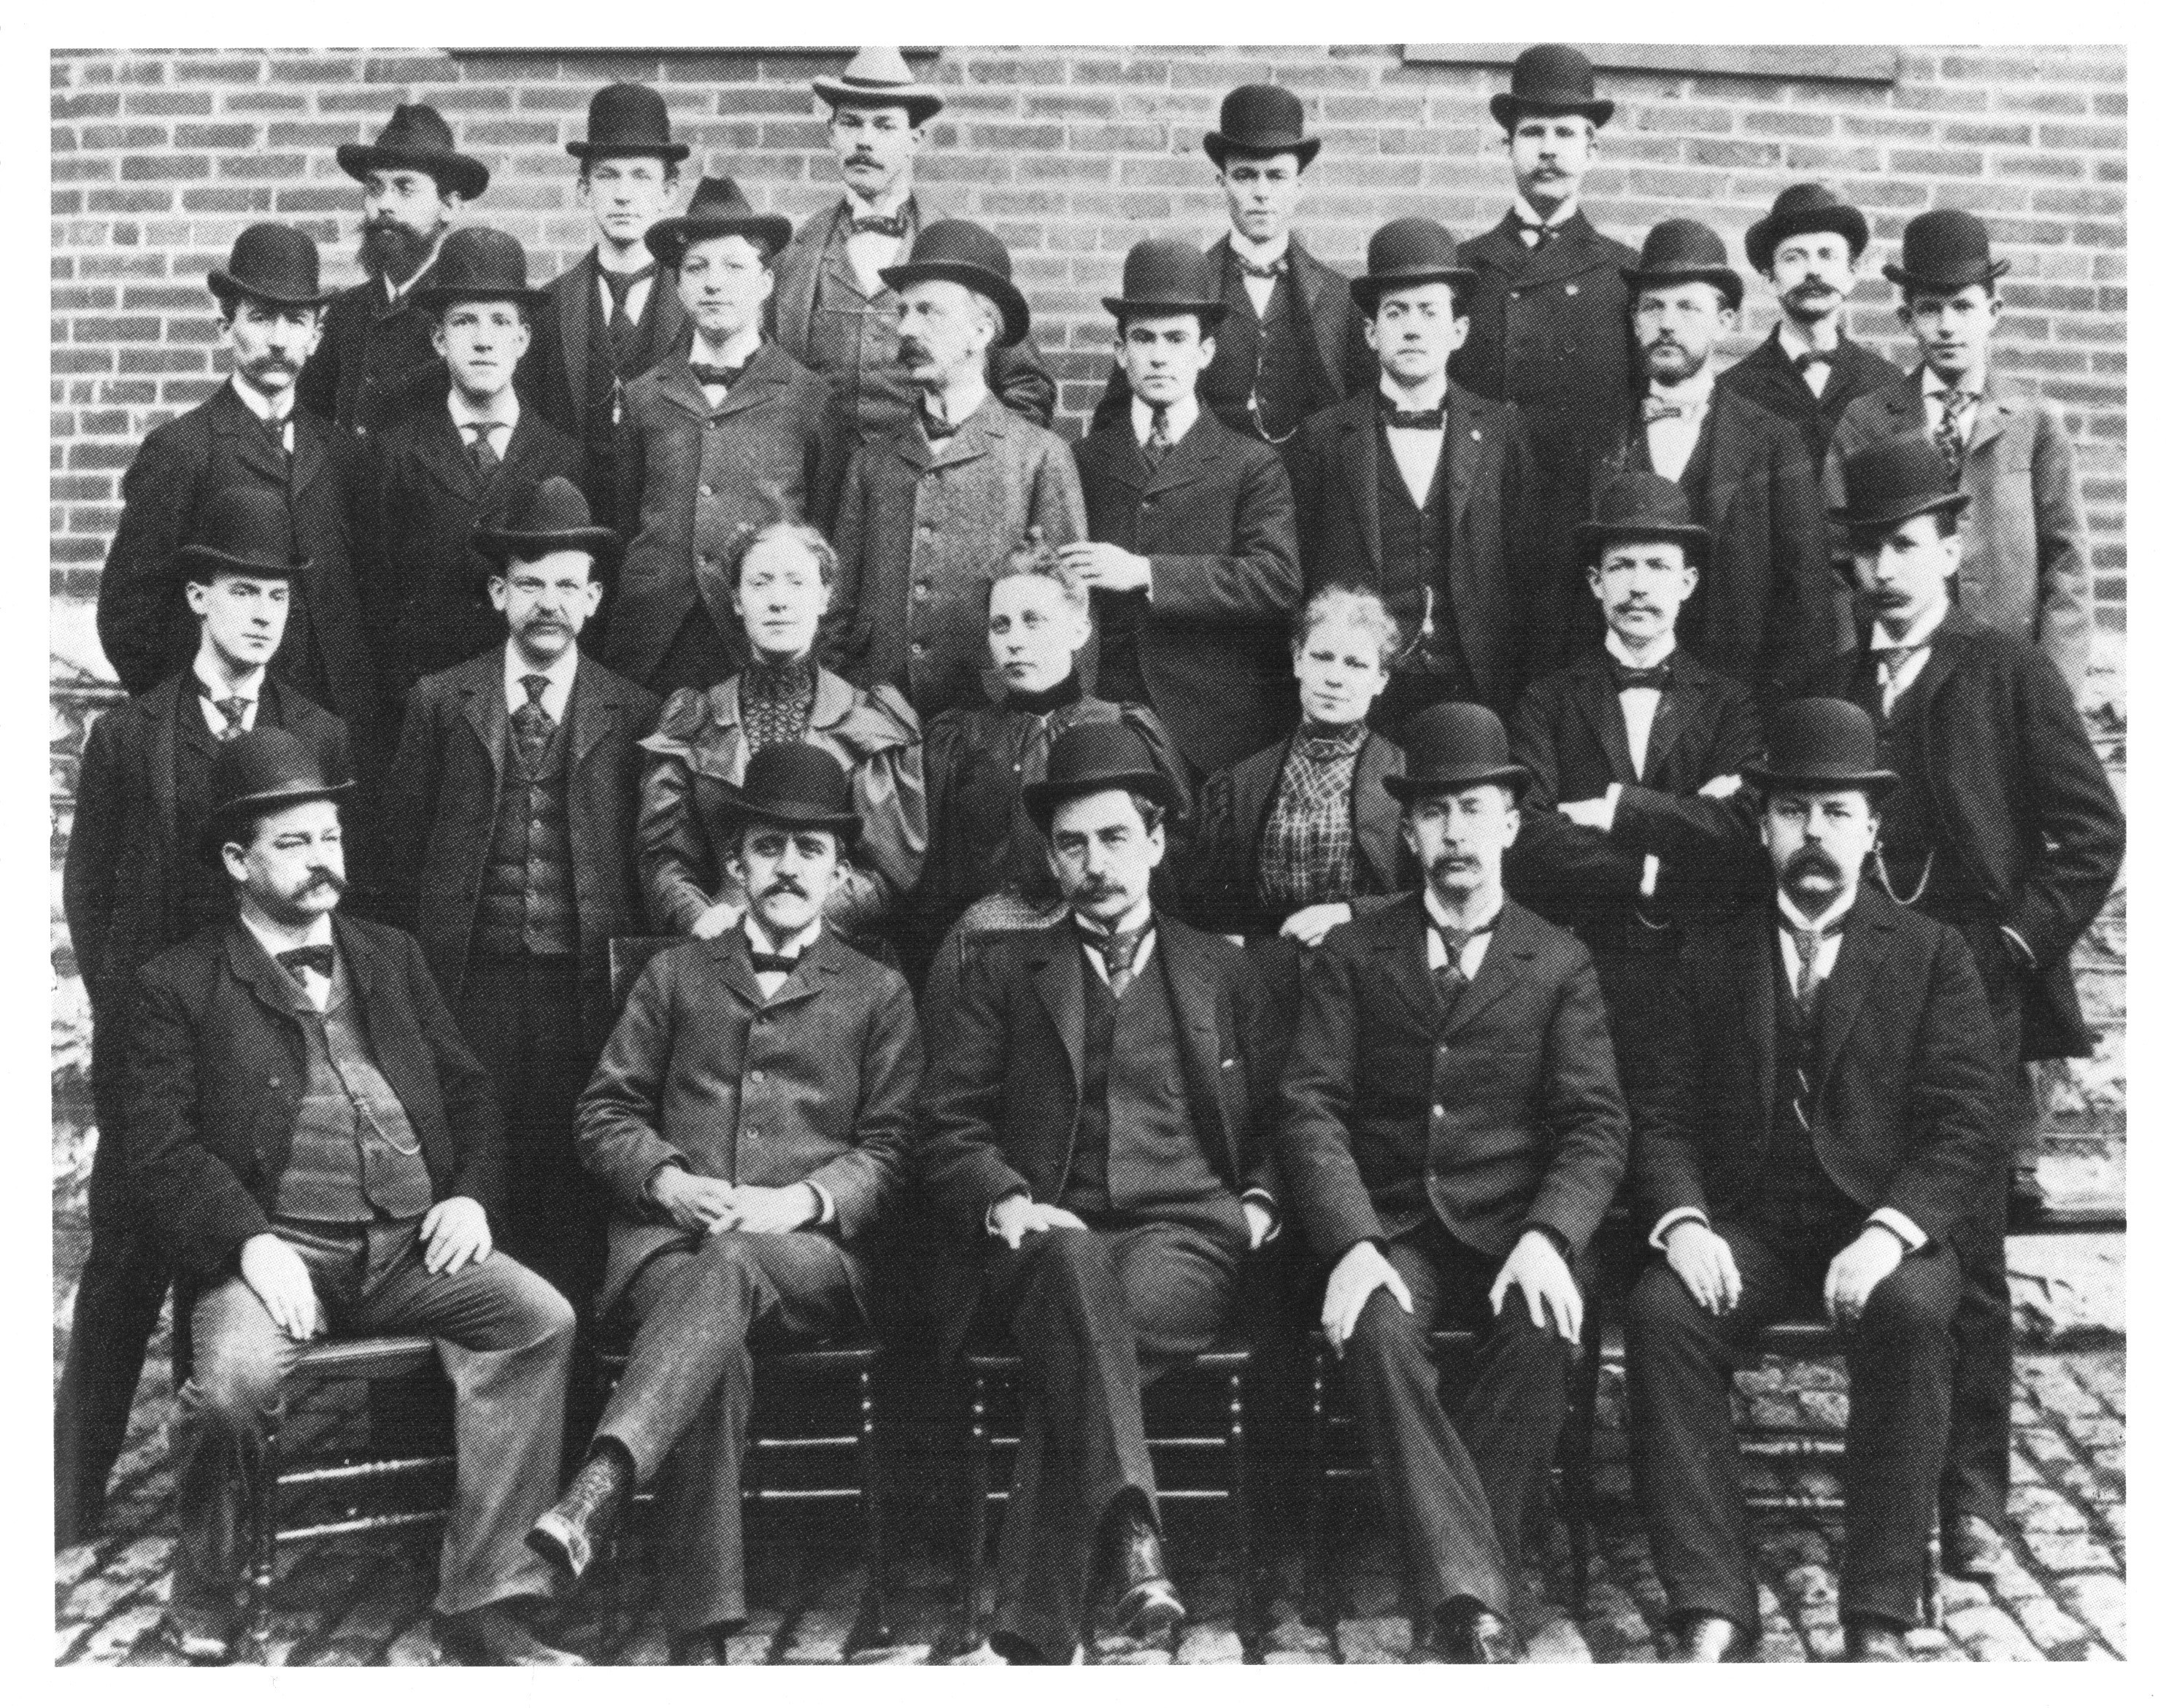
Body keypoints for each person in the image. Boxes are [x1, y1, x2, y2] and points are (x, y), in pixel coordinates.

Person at [122, 728, 579, 1665]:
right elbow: (157, 1148)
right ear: (236, 862)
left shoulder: (391, 957)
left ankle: (485, 1591)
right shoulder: (176, 984)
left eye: (329, 838)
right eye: (293, 844)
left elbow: (471, 1093)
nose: (322, 860)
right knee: (236, 1388)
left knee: (539, 1319)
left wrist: (471, 1199)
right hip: (277, 1250)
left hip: (414, 1246)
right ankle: (204, 1597)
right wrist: (249, 1243)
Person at [1624, 698, 2003, 1663]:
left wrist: (1890, 1232)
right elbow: (1659, 1110)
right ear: (1764, 824)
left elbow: (1964, 1122)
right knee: (1664, 1310)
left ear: (1872, 824)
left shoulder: (1931, 955)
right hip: (1746, 1227)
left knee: (1918, 1311)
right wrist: (1684, 1220)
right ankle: (1712, 1599)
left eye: (1837, 812)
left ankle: (1878, 1606)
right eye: (1795, 811)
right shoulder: (1705, 946)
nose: (1816, 834)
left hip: (1874, 1226)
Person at [526, 742, 921, 1664]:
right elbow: (604, 1111)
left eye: (810, 851)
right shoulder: (676, 976)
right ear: (736, 864)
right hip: (670, 1246)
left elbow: (894, 1148)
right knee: (714, 1344)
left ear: (840, 872)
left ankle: (605, 1475)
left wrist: (804, 1202)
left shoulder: (878, 992)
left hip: (807, 1259)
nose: (788, 868)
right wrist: (665, 1178)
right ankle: (700, 1635)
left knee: (735, 1266)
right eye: (769, 847)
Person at [1806, 436, 2124, 1585]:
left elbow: (2091, 835)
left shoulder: (2004, 672)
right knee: (1872, 1215)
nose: (1885, 569)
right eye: (1867, 550)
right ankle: (1890, 1464)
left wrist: (2009, 948)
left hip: (1975, 999)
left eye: (1906, 545)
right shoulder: (1836, 690)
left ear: (1949, 547)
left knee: (1971, 1248)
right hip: (1856, 999)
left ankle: (1973, 1495)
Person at [918, 722, 1284, 1664]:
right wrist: (1004, 1197)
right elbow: (945, 1128)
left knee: (1078, 1351)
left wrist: (1261, 1201)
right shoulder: (1004, 972)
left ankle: (1038, 1636)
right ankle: (1132, 1537)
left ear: (1157, 842)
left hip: (1185, 1240)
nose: (1096, 863)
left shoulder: (1223, 969)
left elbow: (1288, 1111)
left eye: (1116, 837)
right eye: (1073, 843)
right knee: (1077, 1276)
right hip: (1043, 1239)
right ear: (1050, 854)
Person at [1277, 702, 1628, 1662]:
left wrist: (1551, 1236)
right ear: (1410, 829)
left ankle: (1461, 1589)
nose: (1456, 832)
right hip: (1396, 1225)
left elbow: (1596, 1125)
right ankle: (1479, 1593)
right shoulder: (1355, 953)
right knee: (1376, 1326)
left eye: (1474, 809)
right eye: (1434, 813)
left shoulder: (1557, 960)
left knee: (1545, 1320)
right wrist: (1352, 1244)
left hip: (1515, 1226)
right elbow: (1309, 1109)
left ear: (1511, 823)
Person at [58, 488, 350, 1550]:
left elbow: (323, 886)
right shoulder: (132, 737)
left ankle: (210, 1510)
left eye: (275, 595)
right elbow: (91, 894)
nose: (262, 614)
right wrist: (130, 1014)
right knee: (130, 1253)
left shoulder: (312, 731)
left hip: (260, 1032)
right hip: (155, 1031)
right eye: (241, 593)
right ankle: (67, 1498)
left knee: (228, 1248)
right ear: (198, 599)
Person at [383, 476, 658, 1305]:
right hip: (469, 990)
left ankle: (569, 1411)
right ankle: (445, 1410)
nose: (549, 602)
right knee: (466, 1181)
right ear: (500, 592)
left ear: (595, 596)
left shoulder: (634, 710)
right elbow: (397, 859)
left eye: (567, 583)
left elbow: (647, 871)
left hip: (586, 997)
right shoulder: (441, 701)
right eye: (530, 582)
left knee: (574, 1190)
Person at [1506, 473, 1764, 1091]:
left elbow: (1741, 829)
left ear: (1688, 583)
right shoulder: (1547, 702)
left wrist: (1615, 807)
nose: (1640, 585)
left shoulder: (1731, 706)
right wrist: (1652, 866)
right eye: (1622, 566)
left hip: (1693, 968)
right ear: (1595, 583)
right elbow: (1528, 836)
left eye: (1657, 565)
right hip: (1577, 963)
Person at [95, 223, 378, 743]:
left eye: (295, 320)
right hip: (226, 736)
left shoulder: (341, 455)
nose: (277, 339)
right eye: (260, 317)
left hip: (329, 738)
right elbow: (128, 616)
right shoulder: (182, 449)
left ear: (316, 336)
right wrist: (197, 720)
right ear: (226, 327)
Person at [1286, 217, 1546, 726]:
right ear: (1370, 331)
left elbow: (1529, 576)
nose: (1411, 327)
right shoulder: (1322, 439)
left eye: (1429, 311)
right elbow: (1299, 576)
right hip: (1362, 692)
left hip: (1472, 685)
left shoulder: (1501, 434)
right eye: (1396, 311)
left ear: (1458, 331)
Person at [1826, 208, 2092, 695]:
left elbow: (2067, 565)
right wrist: (1860, 675)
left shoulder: (2034, 423)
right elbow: (1838, 561)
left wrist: (2052, 692)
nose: (1947, 326)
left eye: (1964, 307)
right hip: (1899, 669)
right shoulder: (1866, 421)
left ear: (1994, 313)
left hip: (2007, 677)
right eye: (1930, 308)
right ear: (1907, 319)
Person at [830, 220, 1086, 719]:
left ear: (981, 331)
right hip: (881, 719)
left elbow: (1069, 608)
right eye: (903, 311)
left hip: (993, 721)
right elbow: (838, 611)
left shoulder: (1039, 457)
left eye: (928, 311)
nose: (906, 328)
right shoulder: (872, 463)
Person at [1068, 237, 1301, 777]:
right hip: (1107, 716)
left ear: (1205, 352)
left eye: (1177, 339)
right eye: (1143, 338)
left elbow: (1277, 580)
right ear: (1121, 352)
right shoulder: (1082, 459)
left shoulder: (1251, 463)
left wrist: (1144, 573)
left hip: (1217, 727)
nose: (1158, 355)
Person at [609, 177, 846, 697]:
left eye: (733, 267)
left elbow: (824, 526)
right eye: (697, 268)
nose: (714, 283)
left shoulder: (807, 396)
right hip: (655, 644)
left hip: (755, 641)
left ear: (764, 282)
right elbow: (627, 516)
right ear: (678, 287)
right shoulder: (646, 395)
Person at [638, 519, 925, 946]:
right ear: (737, 600)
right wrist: (698, 916)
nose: (778, 602)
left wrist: (797, 921)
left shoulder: (869, 718)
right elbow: (662, 857)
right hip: (717, 947)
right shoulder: (693, 720)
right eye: (760, 584)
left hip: (832, 953)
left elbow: (890, 869)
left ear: (825, 597)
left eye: (797, 583)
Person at [1589, 220, 1839, 702]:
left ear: (1724, 321)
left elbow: (1804, 604)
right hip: (1615, 703)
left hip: (1735, 711)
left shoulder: (1772, 442)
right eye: (1653, 307)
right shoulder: (1597, 440)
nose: (1667, 323)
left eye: (1687, 306)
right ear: (1636, 321)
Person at [914, 540, 1189, 978]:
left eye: (1033, 622)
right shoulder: (960, 740)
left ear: (1079, 630)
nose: (1015, 642)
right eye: (1000, 626)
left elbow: (1170, 862)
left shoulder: (1124, 729)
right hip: (987, 956)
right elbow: (937, 883)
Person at [769, 46, 1055, 446]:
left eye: (884, 126)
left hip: (924, 484)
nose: (864, 141)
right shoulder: (796, 253)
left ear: (914, 140)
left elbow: (1027, 388)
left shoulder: (958, 252)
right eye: (851, 124)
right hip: (818, 491)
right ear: (832, 135)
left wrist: (975, 471)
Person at [363, 228, 584, 707]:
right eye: (465, 322)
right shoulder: (393, 455)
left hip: (525, 703)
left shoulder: (564, 459)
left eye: (501, 322)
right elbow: (373, 602)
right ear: (440, 339)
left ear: (523, 339)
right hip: (421, 702)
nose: (484, 341)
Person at [1087, 83, 1373, 444]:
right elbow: (1119, 415)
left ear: (1299, 186)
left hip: (1309, 490)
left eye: (1276, 176)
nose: (1261, 192)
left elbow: (1362, 416)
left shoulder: (1339, 296)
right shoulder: (1180, 286)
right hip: (1209, 488)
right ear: (1222, 182)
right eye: (1245, 175)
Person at [1186, 584, 1415, 1014]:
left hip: (1373, 976)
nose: (1334, 677)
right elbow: (1210, 907)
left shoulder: (1404, 777)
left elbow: (1430, 895)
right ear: (1297, 661)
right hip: (1266, 981)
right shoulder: (1242, 784)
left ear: (1381, 680)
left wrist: (1349, 912)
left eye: (1356, 664)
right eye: (1322, 657)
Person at [1450, 45, 1634, 528]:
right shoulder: (1461, 270)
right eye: (1532, 132)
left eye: (1564, 133)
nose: (1548, 148)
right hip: (1478, 516)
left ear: (1591, 149)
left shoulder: (1626, 275)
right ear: (1507, 147)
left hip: (1585, 520)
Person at [521, 82, 690, 530]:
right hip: (571, 541)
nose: (623, 194)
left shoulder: (699, 307)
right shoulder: (547, 307)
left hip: (662, 537)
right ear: (583, 190)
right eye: (608, 175)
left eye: (641, 176)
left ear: (670, 191)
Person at [299, 103, 490, 437]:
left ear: (449, 205)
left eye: (405, 188)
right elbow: (310, 424)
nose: (384, 204)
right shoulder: (346, 313)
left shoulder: (467, 315)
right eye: (375, 188)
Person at [1714, 184, 1905, 474]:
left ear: (1851, 275)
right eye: (1794, 257)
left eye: (1827, 255)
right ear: (1770, 280)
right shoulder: (1734, 389)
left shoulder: (1886, 382)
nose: (1813, 270)